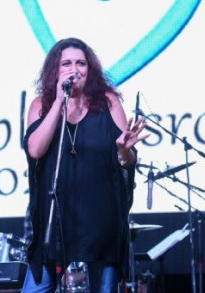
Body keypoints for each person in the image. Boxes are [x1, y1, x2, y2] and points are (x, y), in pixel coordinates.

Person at [22, 37, 148, 293]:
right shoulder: (41, 105)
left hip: (100, 222)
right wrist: (58, 102)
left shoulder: (108, 102)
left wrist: (124, 151)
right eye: (66, 63)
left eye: (81, 63)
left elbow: (126, 161)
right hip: (57, 220)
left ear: (90, 69)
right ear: (55, 70)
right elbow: (35, 150)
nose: (74, 69)